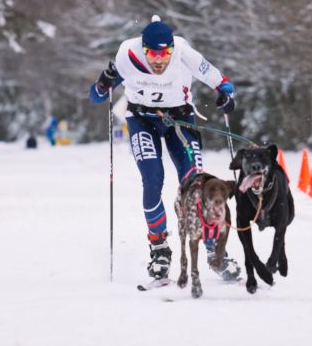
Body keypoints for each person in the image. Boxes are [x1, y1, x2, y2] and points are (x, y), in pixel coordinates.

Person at [88, 15, 240, 282]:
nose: (159, 60)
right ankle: (159, 249)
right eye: (152, 54)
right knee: (153, 179)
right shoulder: (127, 53)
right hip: (142, 120)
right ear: (143, 49)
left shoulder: (183, 51)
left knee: (196, 184)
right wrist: (103, 82)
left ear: (172, 49)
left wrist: (225, 96)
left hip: (178, 120)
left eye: (165, 54)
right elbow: (96, 96)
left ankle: (214, 249)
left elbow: (222, 81)